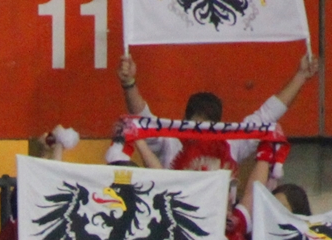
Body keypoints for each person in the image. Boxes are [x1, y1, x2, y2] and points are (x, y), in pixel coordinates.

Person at [116, 49, 319, 172]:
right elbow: (143, 119)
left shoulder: (232, 143)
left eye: (208, 128)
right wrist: (129, 83)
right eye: (196, 127)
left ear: (219, 126)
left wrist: (301, 76)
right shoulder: (170, 143)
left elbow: (267, 115)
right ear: (184, 121)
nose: (202, 134)